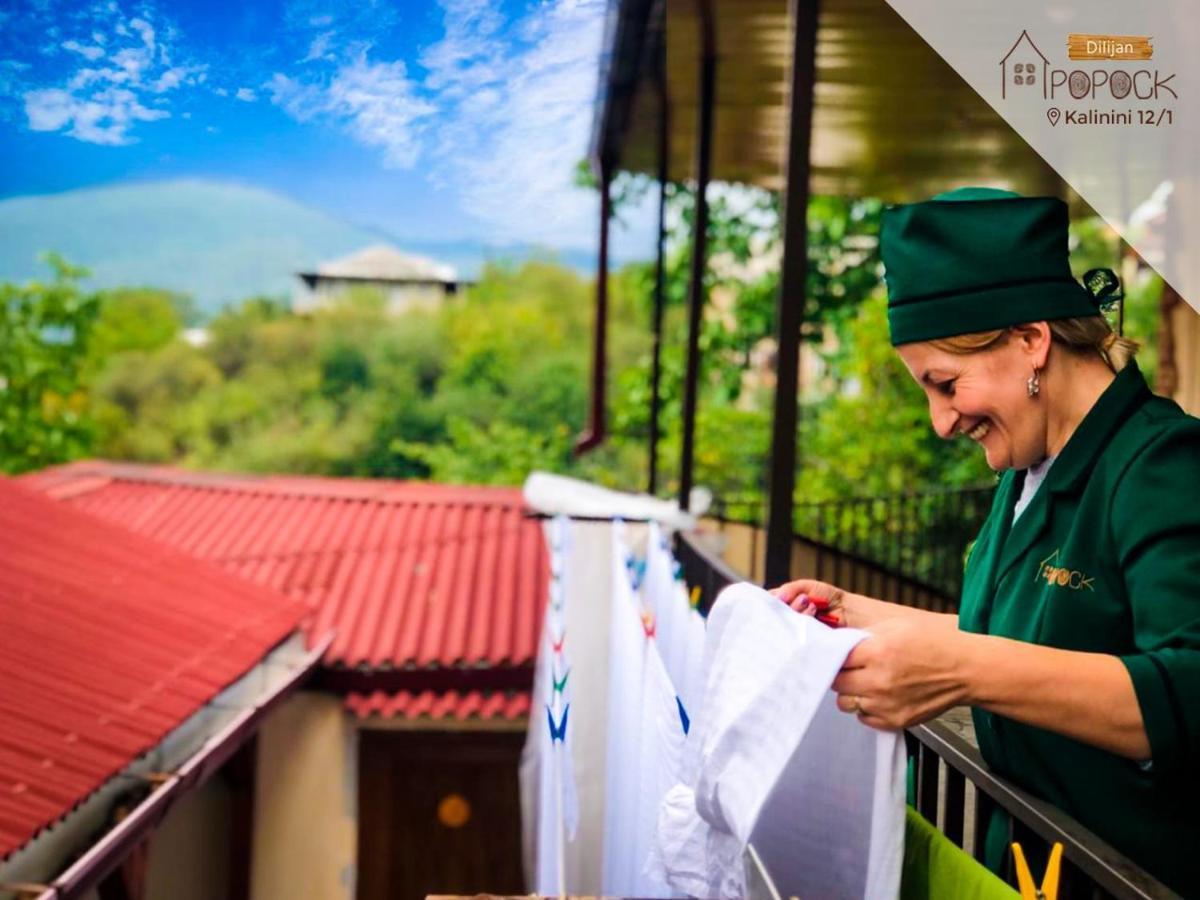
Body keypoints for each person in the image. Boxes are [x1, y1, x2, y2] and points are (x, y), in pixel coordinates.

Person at [771, 187, 1200, 896]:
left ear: (1031, 340)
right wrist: (853, 613)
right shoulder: (1027, 469)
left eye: (946, 384)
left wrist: (964, 672)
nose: (942, 422)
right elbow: (1007, 635)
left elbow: (1184, 687)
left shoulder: (1164, 465)